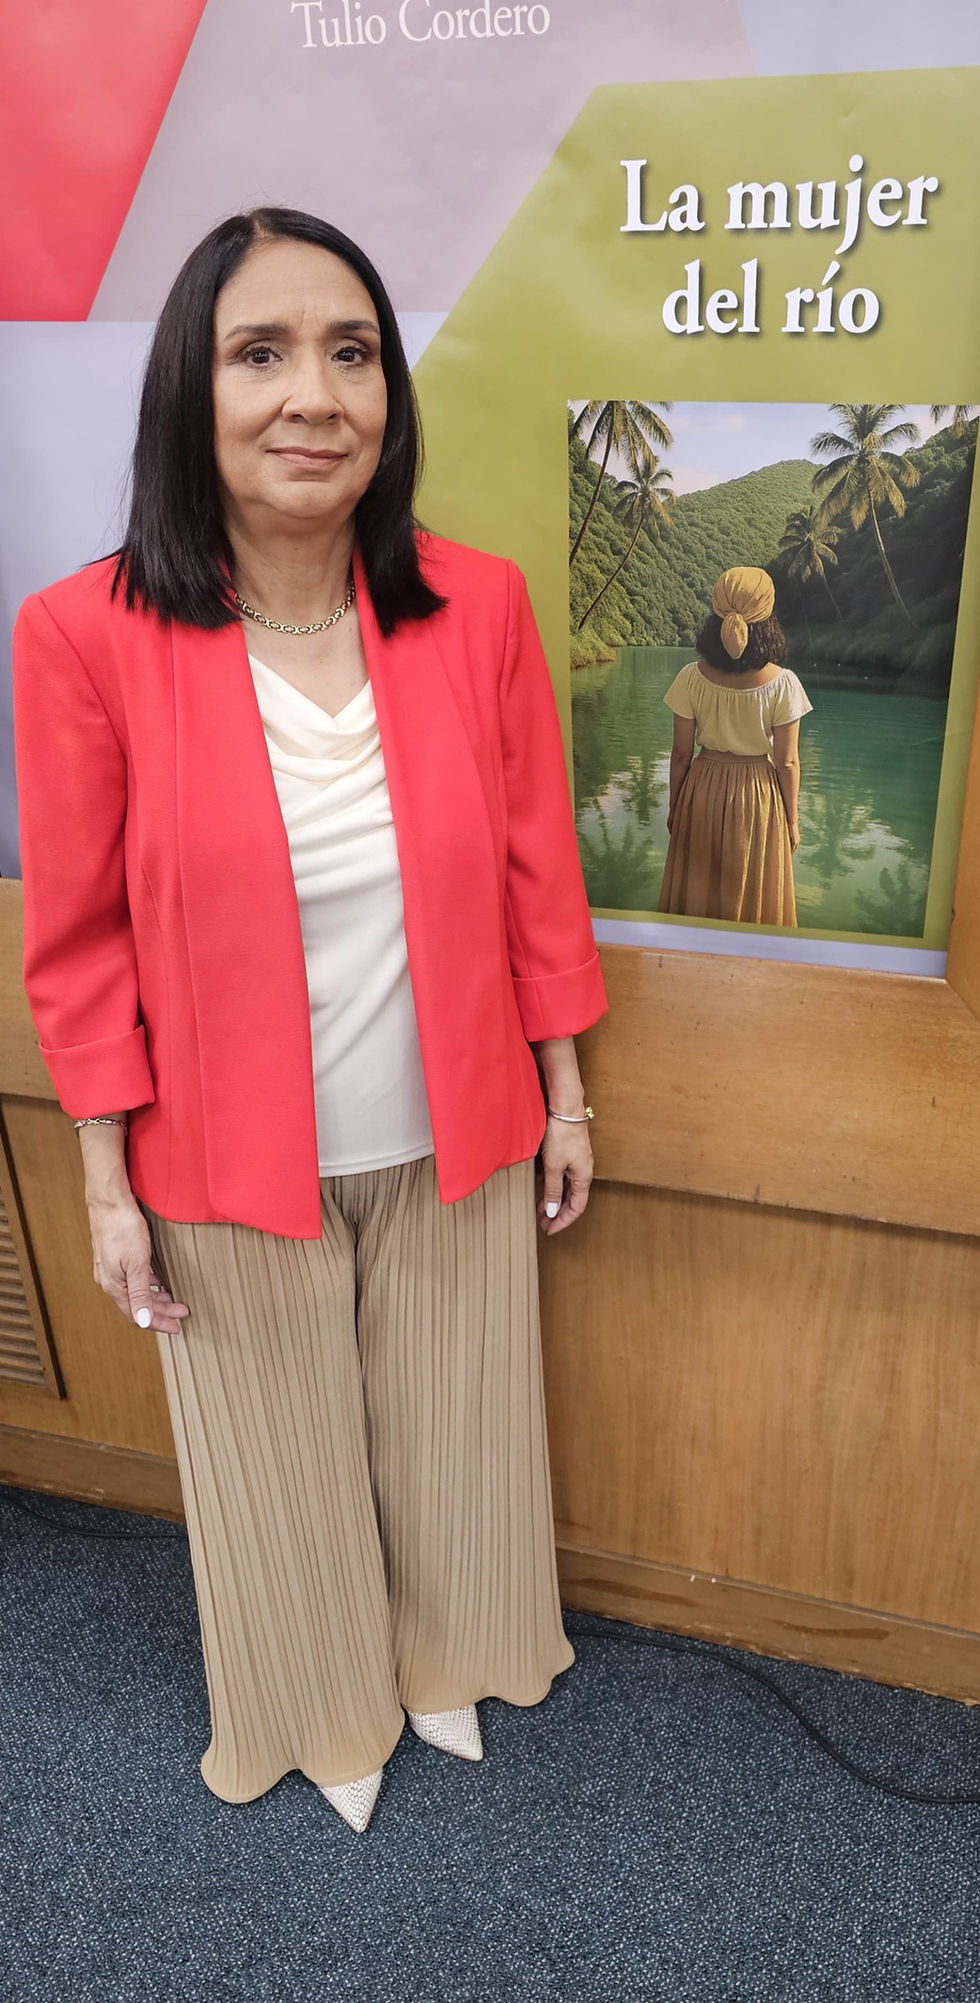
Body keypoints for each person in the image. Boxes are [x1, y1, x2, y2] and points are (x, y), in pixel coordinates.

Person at [12, 207, 606, 1833]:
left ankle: (450, 1655)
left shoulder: (470, 607)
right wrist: (104, 1179)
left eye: (351, 352)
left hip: (463, 1120)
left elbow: (533, 868)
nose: (313, 394)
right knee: (274, 1464)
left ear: (390, 399)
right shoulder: (85, 637)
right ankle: (319, 1704)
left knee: (459, 1427)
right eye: (259, 352)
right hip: (223, 1148)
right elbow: (74, 942)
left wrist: (567, 1091)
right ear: (186, 394)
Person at [658, 567, 812, 927]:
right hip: (758, 796)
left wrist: (675, 805)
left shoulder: (691, 677)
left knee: (697, 894)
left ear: (716, 612)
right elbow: (787, 762)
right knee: (751, 894)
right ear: (768, 616)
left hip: (702, 789)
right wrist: (792, 820)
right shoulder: (784, 684)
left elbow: (681, 754)